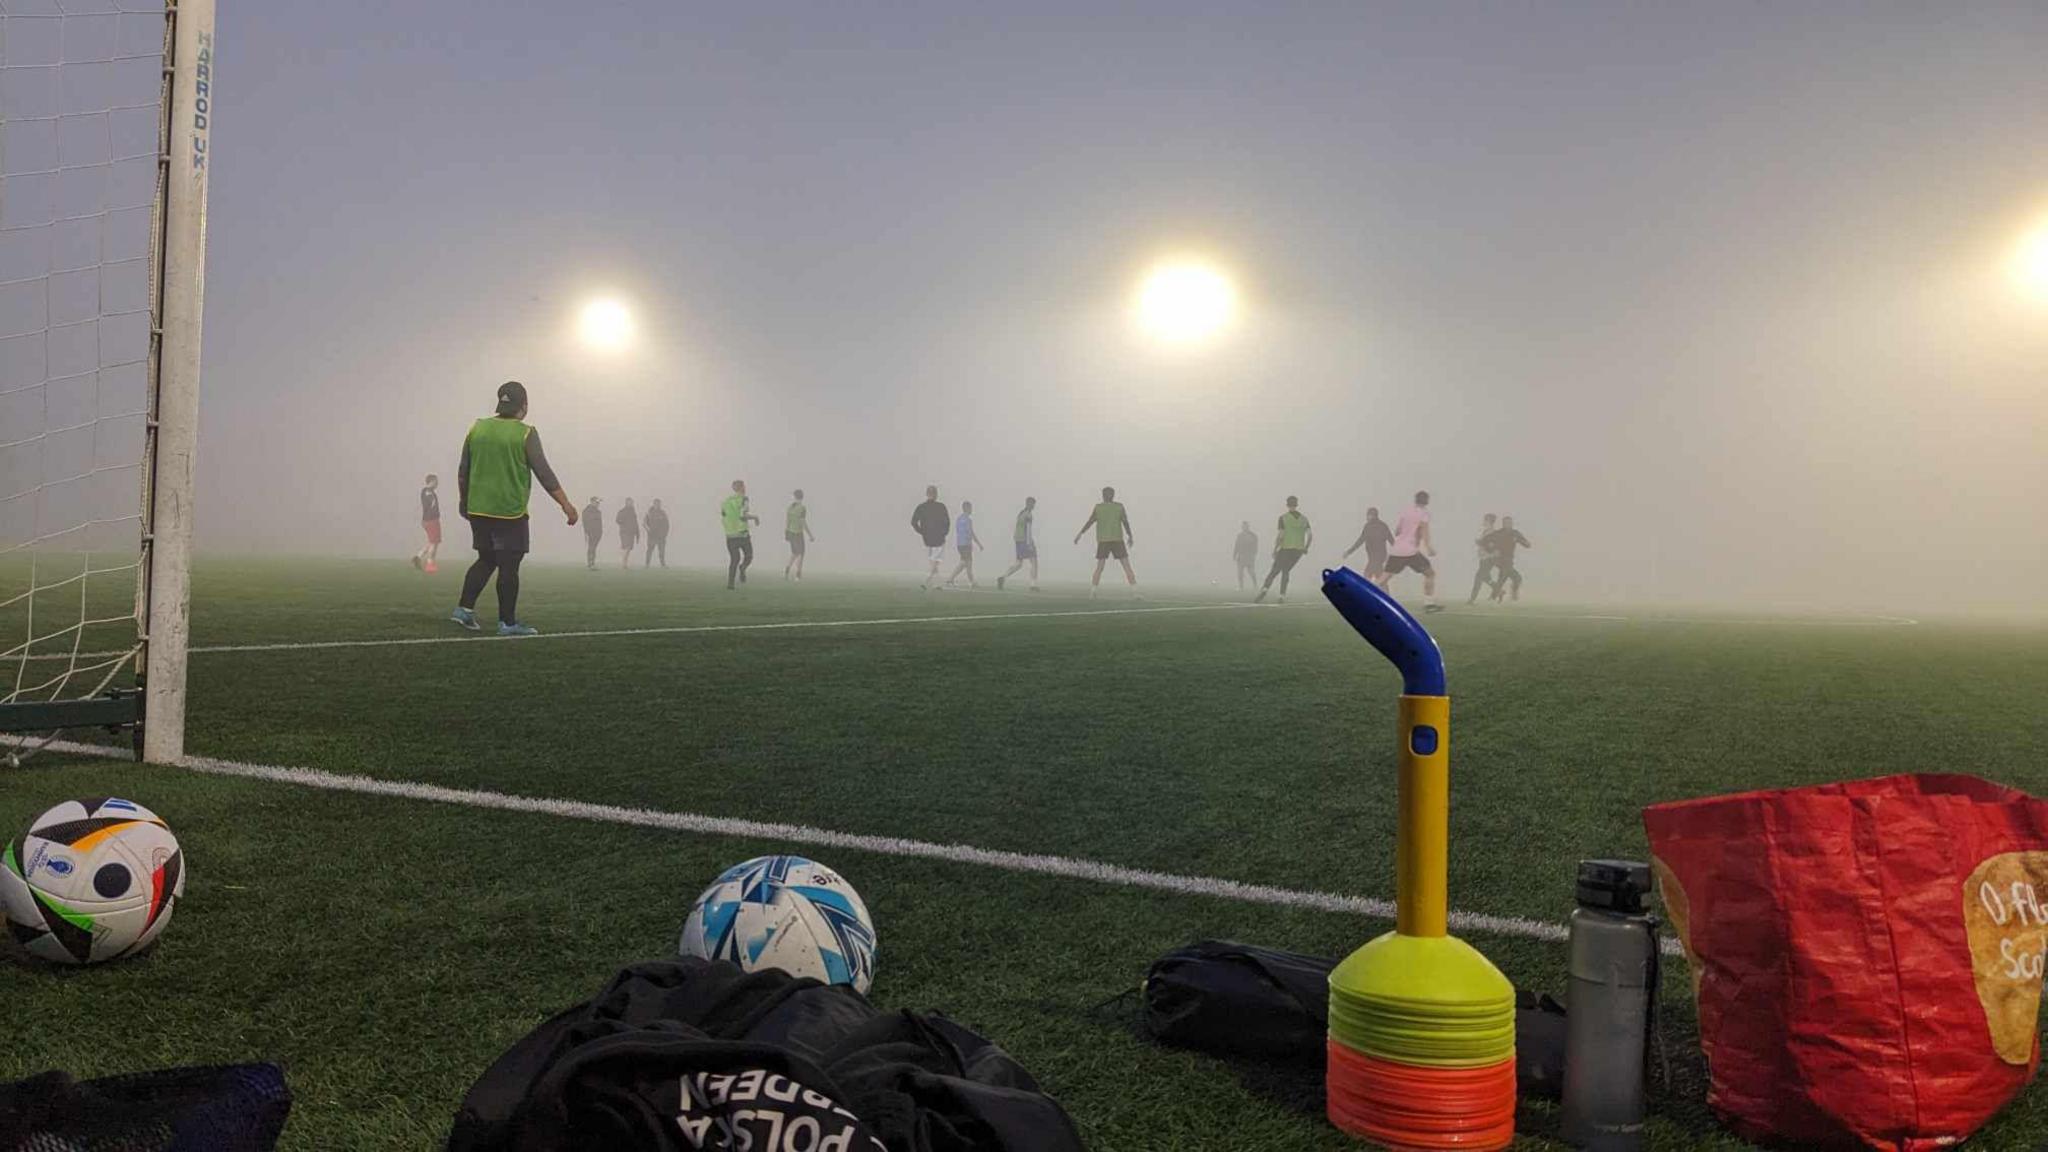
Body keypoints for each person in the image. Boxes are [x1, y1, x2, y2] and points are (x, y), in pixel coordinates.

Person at [451, 380, 576, 636]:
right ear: (525, 406)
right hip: (509, 511)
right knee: (509, 566)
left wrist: (464, 501)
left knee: (485, 559)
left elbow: (463, 470)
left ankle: (464, 610)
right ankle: (507, 623)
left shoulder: (478, 428)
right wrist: (566, 504)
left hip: (479, 508)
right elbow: (543, 472)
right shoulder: (525, 433)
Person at [1377, 489, 1442, 613]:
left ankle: (1366, 594)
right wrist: (1429, 547)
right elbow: (1423, 530)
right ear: (1427, 501)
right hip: (1411, 551)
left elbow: (1397, 531)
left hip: (1397, 550)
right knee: (1430, 574)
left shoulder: (1406, 512)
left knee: (1384, 578)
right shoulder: (1424, 513)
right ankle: (1429, 604)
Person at [1073, 486, 1137, 598]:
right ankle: (1135, 592)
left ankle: (1093, 592)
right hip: (1116, 540)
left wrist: (1080, 533)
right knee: (1126, 566)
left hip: (1105, 540)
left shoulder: (1099, 508)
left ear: (1103, 496)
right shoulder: (1118, 507)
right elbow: (1125, 522)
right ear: (1113, 495)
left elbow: (1090, 521)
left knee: (1100, 567)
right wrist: (1130, 535)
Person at [1255, 496, 1313, 603]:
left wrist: (1275, 548)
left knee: (1274, 570)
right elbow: (1310, 535)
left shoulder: (1283, 518)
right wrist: (1306, 547)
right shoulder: (1304, 519)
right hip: (1298, 551)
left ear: (1287, 505)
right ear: (1297, 504)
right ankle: (1282, 595)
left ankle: (1264, 589)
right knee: (1286, 571)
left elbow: (1281, 535)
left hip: (1286, 548)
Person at [1484, 515, 1534, 602]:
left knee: (1513, 578)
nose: (1507, 524)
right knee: (1505, 576)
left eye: (1509, 523)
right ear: (1503, 524)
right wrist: (1491, 549)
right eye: (1505, 523)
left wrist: (1527, 544)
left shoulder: (1515, 533)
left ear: (1512, 524)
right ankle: (1498, 597)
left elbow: (1524, 542)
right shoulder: (1498, 533)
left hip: (1509, 559)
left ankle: (1493, 597)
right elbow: (1485, 541)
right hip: (1500, 559)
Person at [720, 480, 759, 590]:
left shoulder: (726, 501)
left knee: (734, 559)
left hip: (730, 535)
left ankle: (730, 584)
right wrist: (755, 517)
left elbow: (723, 514)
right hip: (742, 534)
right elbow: (743, 515)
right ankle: (742, 568)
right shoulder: (744, 499)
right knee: (749, 556)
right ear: (742, 487)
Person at [911, 486, 950, 590]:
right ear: (936, 494)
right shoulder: (941, 507)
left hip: (928, 539)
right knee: (935, 561)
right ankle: (927, 582)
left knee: (933, 562)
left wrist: (922, 532)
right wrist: (944, 533)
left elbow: (913, 522)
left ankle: (936, 584)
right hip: (939, 539)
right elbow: (947, 522)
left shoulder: (921, 507)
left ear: (927, 494)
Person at [997, 496, 1039, 592]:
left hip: (1018, 541)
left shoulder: (1021, 513)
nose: (1033, 506)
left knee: (1019, 564)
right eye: (1033, 504)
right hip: (1025, 541)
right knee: (1034, 562)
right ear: (1029, 504)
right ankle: (1033, 585)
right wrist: (1029, 544)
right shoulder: (1028, 515)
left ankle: (1003, 577)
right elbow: (1028, 530)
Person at [1342, 506, 1393, 581]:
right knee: (1378, 575)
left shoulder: (1380, 526)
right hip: (1374, 557)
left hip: (1377, 557)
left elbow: (1391, 540)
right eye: (1368, 515)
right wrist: (1349, 552)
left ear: (1374, 515)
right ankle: (1384, 591)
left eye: (1369, 515)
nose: (1367, 517)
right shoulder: (1369, 526)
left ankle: (1368, 590)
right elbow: (1360, 541)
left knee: (1367, 574)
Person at [945, 501, 985, 588]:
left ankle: (969, 581)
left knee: (966, 564)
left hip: (960, 544)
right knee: (966, 563)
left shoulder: (958, 519)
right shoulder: (968, 520)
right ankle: (953, 579)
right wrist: (979, 544)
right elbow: (970, 533)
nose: (972, 510)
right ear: (967, 508)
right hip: (966, 544)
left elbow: (958, 532)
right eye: (971, 508)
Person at [1466, 512, 1499, 605]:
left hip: (1488, 559)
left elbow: (1491, 546)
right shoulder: (1486, 532)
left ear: (1489, 521)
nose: (1484, 521)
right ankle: (1499, 590)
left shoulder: (1492, 532)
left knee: (1478, 578)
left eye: (1485, 520)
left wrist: (1480, 543)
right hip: (1483, 558)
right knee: (1486, 578)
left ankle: (1472, 599)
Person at [412, 473, 442, 573]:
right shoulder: (427, 492)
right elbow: (430, 506)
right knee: (434, 543)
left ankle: (418, 557)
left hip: (430, 520)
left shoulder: (430, 492)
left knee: (431, 542)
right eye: (436, 481)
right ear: (431, 481)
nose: (437, 483)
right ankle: (430, 564)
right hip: (431, 520)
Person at [784, 489, 815, 581]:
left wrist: (786, 532)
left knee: (794, 553)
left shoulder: (790, 507)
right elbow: (803, 522)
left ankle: (787, 570)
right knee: (801, 554)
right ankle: (798, 575)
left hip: (790, 532)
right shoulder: (802, 508)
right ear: (802, 497)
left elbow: (787, 521)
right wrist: (810, 535)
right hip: (798, 533)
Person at [1232, 521, 1258, 590]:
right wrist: (1234, 554)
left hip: (1249, 556)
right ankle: (1241, 587)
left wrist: (1253, 555)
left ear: (1248, 527)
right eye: (1243, 526)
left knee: (1251, 572)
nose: (1244, 528)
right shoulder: (1240, 535)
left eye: (1245, 526)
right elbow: (1236, 545)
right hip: (1241, 556)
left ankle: (1255, 585)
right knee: (1240, 573)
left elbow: (1255, 547)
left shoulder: (1253, 535)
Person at [643, 498, 669, 568]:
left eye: (659, 504)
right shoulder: (649, 513)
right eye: (656, 503)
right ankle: (647, 564)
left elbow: (667, 524)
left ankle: (663, 565)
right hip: (652, 536)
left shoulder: (663, 513)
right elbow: (644, 523)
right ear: (653, 504)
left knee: (661, 551)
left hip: (661, 536)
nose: (658, 505)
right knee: (650, 550)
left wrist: (665, 534)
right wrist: (649, 530)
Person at [616, 498, 640, 569]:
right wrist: (625, 525)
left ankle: (624, 563)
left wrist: (637, 534)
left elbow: (636, 523)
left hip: (632, 533)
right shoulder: (622, 511)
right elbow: (617, 520)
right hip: (625, 532)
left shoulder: (633, 512)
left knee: (628, 548)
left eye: (632, 502)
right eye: (630, 502)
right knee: (627, 547)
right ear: (626, 503)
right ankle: (623, 563)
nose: (631, 503)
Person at [581, 496, 604, 570]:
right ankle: (590, 564)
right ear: (592, 502)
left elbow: (600, 523)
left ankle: (592, 563)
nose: (598, 504)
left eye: (598, 503)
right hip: (591, 532)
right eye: (596, 502)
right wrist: (586, 532)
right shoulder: (587, 511)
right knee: (591, 548)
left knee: (593, 548)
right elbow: (585, 522)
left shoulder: (598, 511)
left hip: (597, 533)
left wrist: (600, 532)